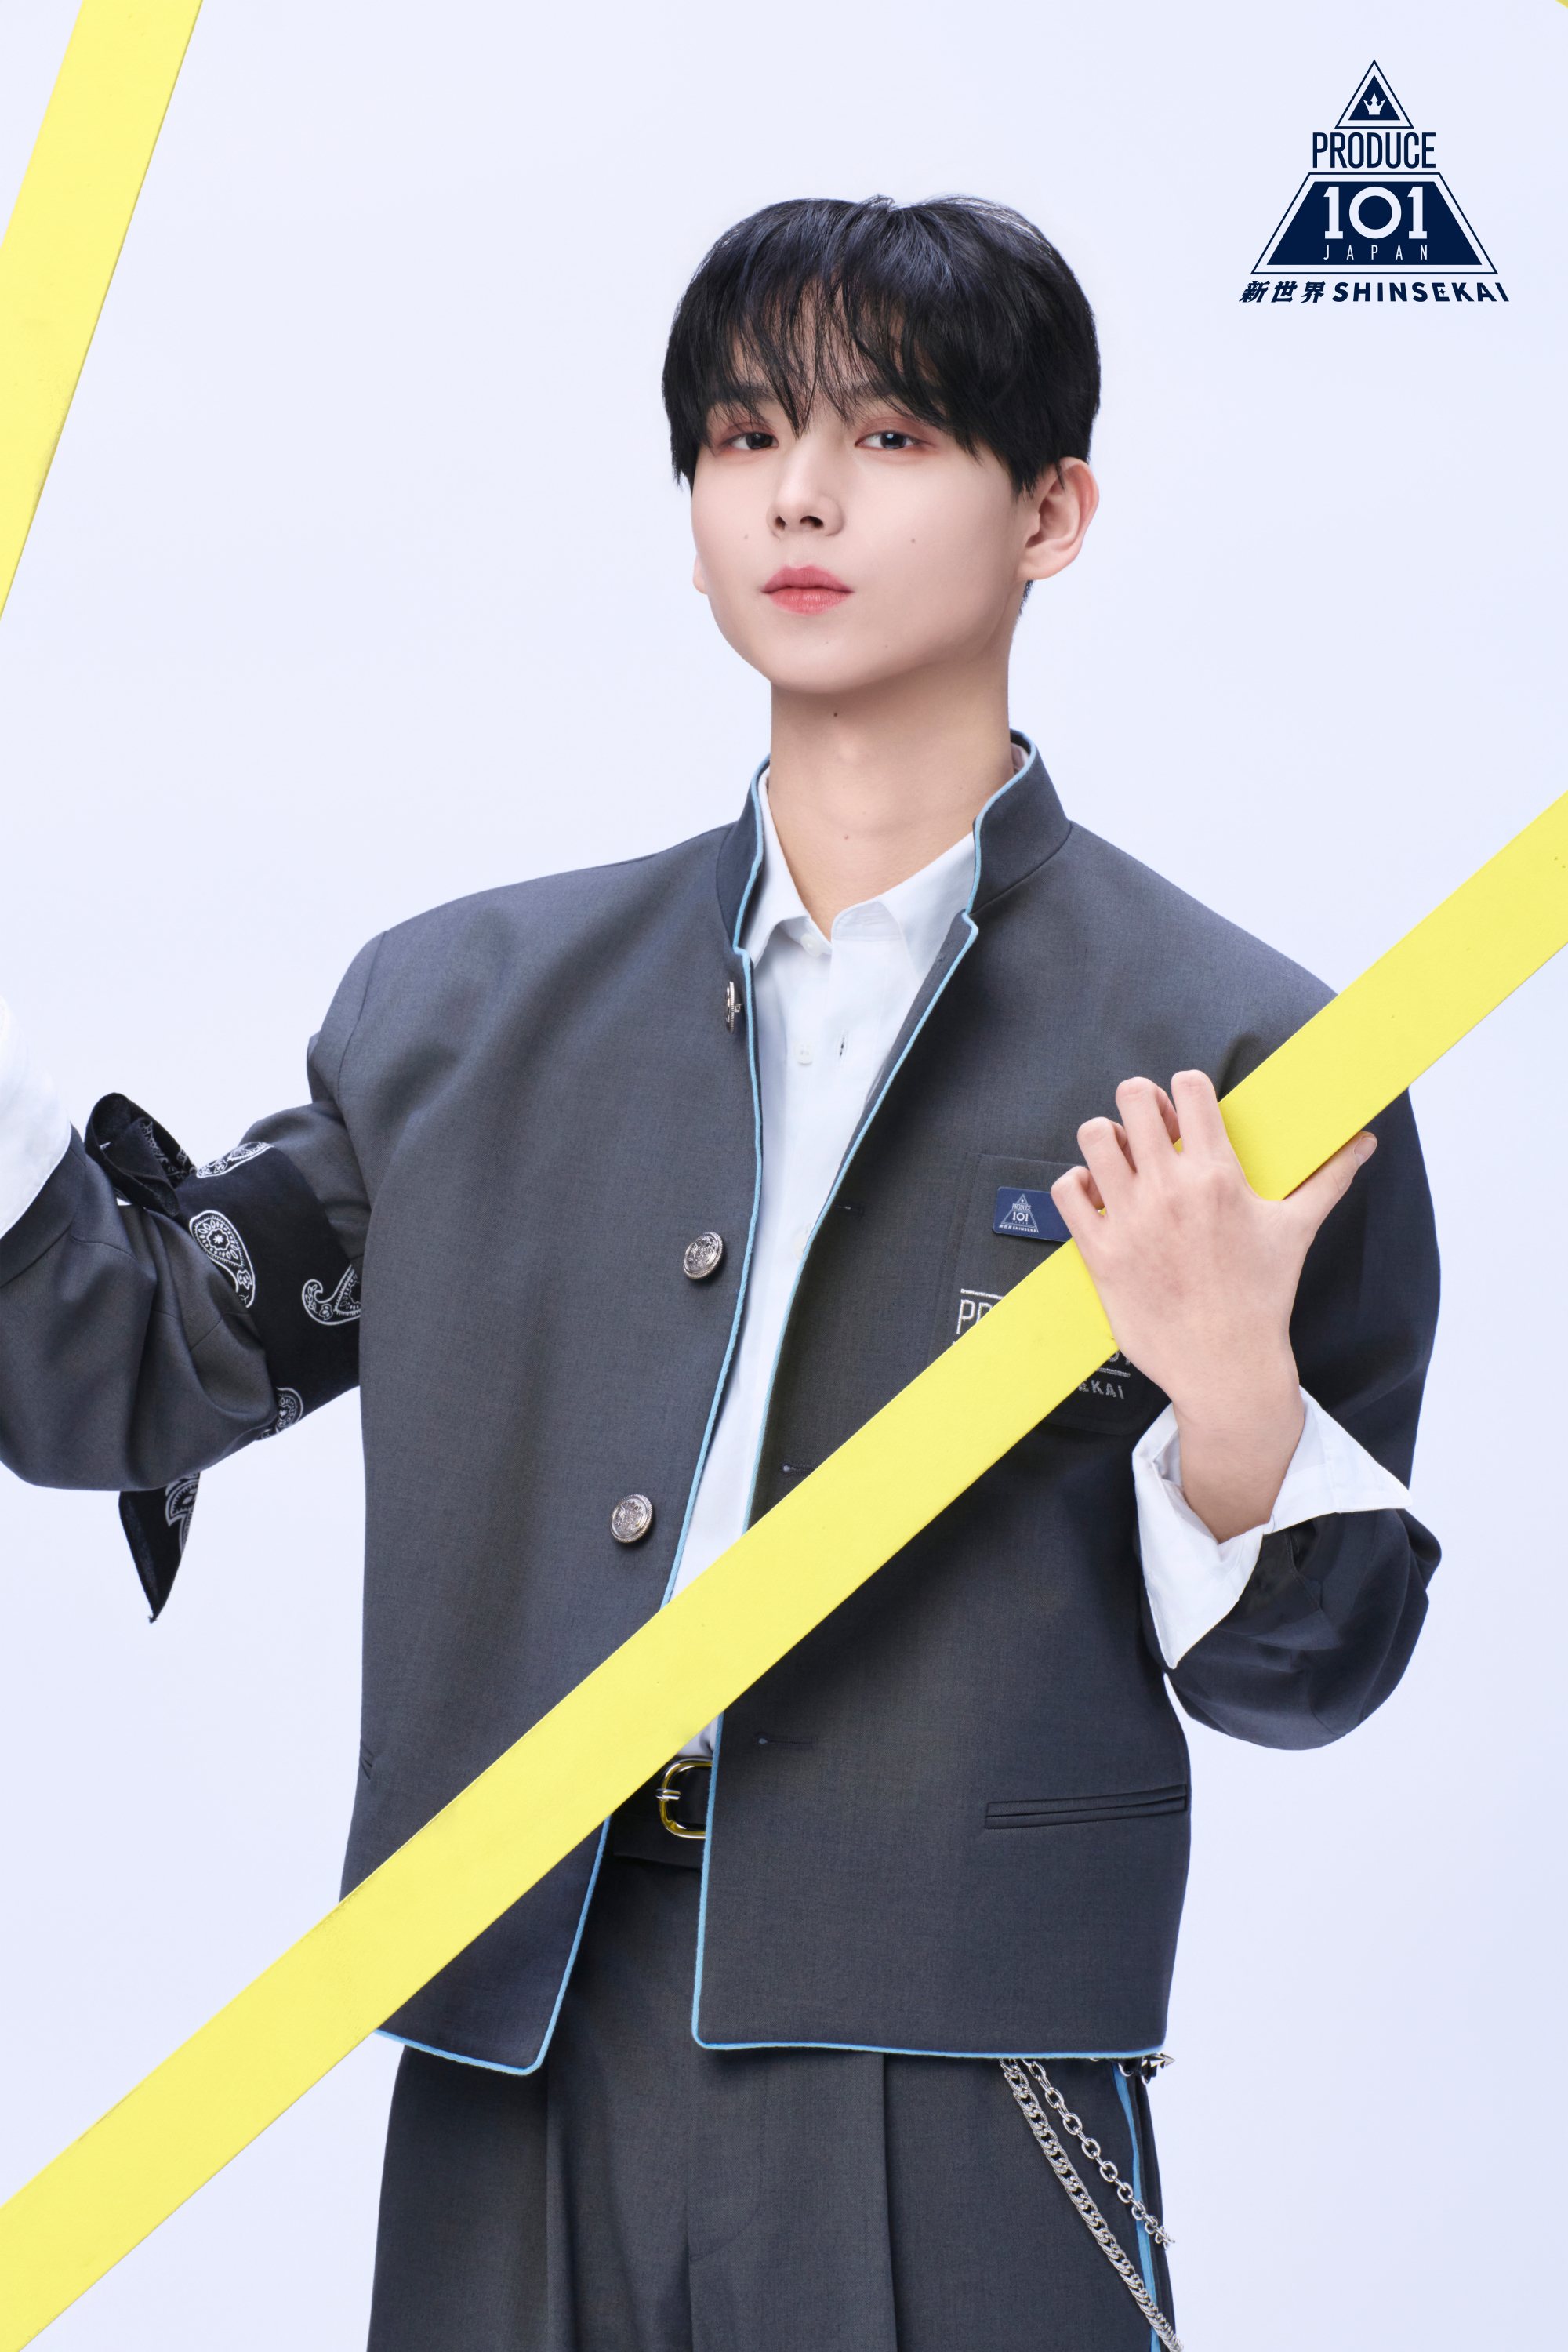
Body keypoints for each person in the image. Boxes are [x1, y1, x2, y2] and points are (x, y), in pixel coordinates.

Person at [0, 197, 1439, 2351]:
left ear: (1052, 512)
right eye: (745, 435)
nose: (800, 493)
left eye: (892, 434)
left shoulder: (1242, 1059)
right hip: (513, 2025)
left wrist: (1236, 1395)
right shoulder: (460, 1016)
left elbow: (1316, 1673)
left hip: (964, 2056)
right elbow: (104, 1372)